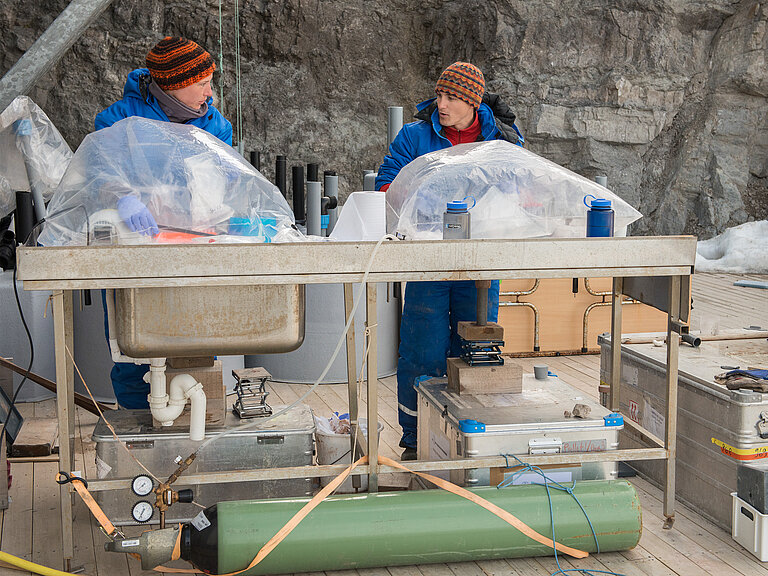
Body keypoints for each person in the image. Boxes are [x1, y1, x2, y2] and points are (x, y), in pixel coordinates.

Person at [375, 62, 524, 460]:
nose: (441, 104)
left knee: (475, 347)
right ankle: (415, 438)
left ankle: (470, 436)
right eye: (439, 95)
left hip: (479, 265)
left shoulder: (502, 139)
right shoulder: (414, 135)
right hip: (428, 261)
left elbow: (520, 188)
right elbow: (386, 183)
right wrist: (424, 200)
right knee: (422, 349)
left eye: (452, 97)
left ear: (473, 102)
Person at [95, 36, 232, 408]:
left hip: (194, 248)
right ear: (174, 85)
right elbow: (97, 170)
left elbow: (225, 181)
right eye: (202, 83)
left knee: (199, 340)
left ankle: (197, 416)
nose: (210, 93)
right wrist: (122, 196)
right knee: (135, 343)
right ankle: (138, 426)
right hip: (136, 250)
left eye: (210, 82)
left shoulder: (215, 124)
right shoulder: (119, 119)